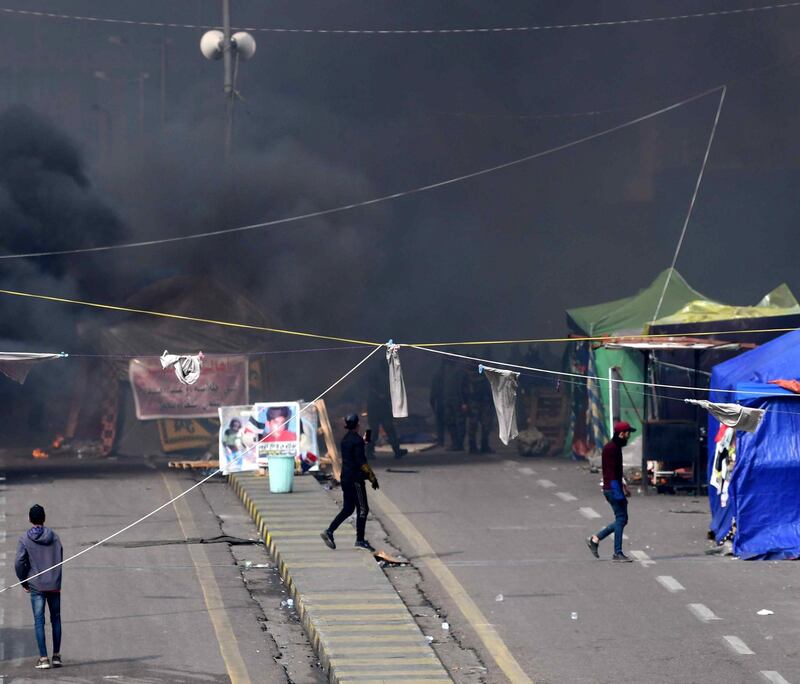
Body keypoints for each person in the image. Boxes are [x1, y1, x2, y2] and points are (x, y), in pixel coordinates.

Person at [321, 413, 379, 551]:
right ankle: (360, 540)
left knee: (348, 509)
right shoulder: (357, 441)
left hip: (346, 478)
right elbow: (361, 461)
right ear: (357, 425)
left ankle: (330, 531)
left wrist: (363, 441)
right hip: (355, 480)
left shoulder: (346, 440)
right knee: (363, 509)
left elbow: (356, 449)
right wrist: (372, 477)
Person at [15, 504, 64, 669]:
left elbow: (19, 562)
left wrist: (24, 580)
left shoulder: (25, 539)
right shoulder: (54, 537)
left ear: (29, 519)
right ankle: (56, 656)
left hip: (36, 585)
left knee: (39, 621)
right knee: (56, 618)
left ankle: (43, 658)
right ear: (44, 518)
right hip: (54, 584)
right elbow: (60, 557)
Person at [586, 422, 636, 562]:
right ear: (621, 434)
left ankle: (595, 539)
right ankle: (617, 553)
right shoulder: (612, 449)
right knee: (621, 519)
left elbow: (617, 472)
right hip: (612, 488)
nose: (629, 436)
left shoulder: (614, 447)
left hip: (614, 487)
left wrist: (624, 487)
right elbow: (612, 473)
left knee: (622, 519)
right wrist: (619, 492)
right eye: (627, 433)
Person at [366, 363, 407, 459]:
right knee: (374, 430)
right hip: (376, 406)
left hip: (381, 405)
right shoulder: (379, 375)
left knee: (387, 429)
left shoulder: (385, 375)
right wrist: (381, 396)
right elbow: (373, 388)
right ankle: (368, 451)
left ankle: (396, 450)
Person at [429, 361, 446, 446]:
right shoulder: (440, 376)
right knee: (441, 422)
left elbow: (433, 392)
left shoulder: (439, 375)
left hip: (444, 401)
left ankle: (442, 440)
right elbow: (434, 391)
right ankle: (442, 440)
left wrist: (432, 401)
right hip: (442, 401)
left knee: (443, 422)